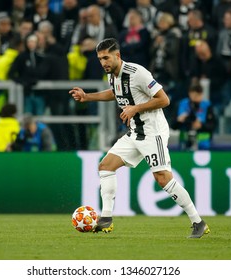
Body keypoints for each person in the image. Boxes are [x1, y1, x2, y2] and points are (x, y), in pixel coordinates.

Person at [69, 38, 210, 238]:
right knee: (106, 166)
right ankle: (106, 218)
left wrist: (136, 108)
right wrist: (87, 96)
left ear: (117, 56)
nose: (103, 62)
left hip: (153, 132)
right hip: (136, 131)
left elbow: (164, 99)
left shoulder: (138, 73)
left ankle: (198, 222)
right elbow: (115, 93)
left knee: (162, 178)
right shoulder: (112, 76)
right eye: (100, 59)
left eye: (106, 58)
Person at [171, 83, 217, 151]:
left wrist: (201, 125)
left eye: (198, 95)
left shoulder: (207, 106)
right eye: (193, 95)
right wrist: (179, 121)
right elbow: (173, 125)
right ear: (189, 93)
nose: (195, 98)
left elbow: (213, 125)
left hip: (203, 146)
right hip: (184, 145)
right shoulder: (181, 104)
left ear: (201, 94)